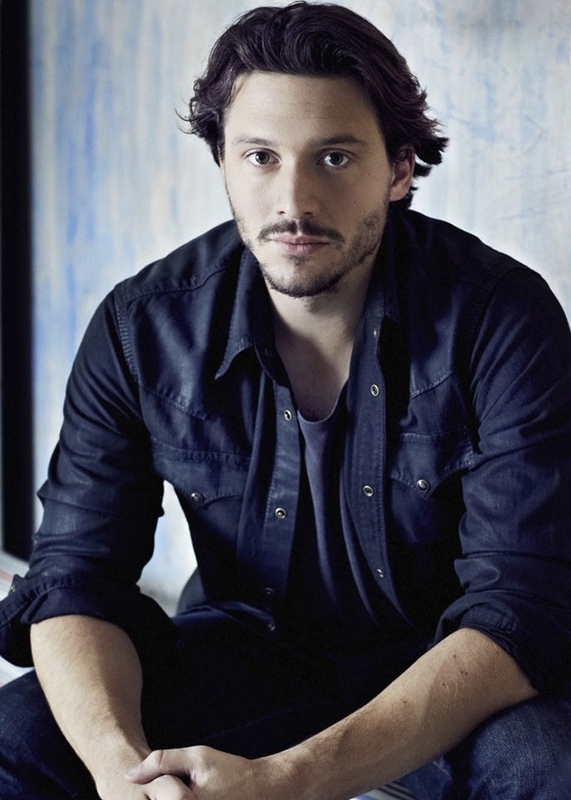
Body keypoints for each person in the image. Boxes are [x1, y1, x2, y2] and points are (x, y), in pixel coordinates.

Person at [0, 2, 570, 798]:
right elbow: (73, 576)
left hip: (447, 669)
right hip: (249, 652)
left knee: (551, 766)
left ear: (398, 169)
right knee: (19, 737)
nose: (293, 200)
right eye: (260, 157)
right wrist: (117, 772)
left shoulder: (499, 318)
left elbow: (519, 607)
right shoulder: (143, 328)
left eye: (333, 157)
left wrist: (286, 780)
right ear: (224, 164)